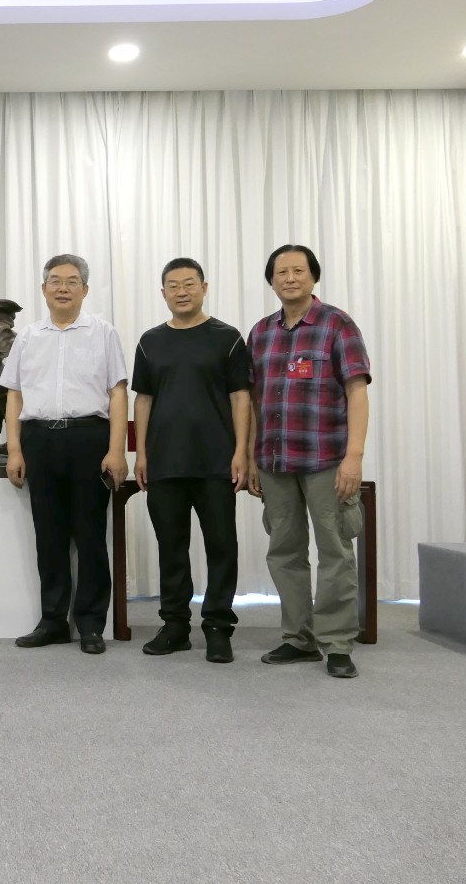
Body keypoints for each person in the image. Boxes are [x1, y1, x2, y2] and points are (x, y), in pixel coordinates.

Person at [247, 244, 371, 679]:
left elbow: (357, 391)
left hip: (326, 459)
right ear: (271, 281)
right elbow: (253, 400)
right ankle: (298, 639)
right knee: (284, 551)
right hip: (275, 461)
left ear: (313, 277)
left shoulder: (337, 324)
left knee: (335, 550)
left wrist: (354, 457)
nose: (290, 278)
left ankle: (337, 643)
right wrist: (252, 457)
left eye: (298, 270)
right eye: (281, 272)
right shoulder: (261, 332)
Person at [1, 254, 129, 655]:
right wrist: (15, 448)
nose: (63, 288)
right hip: (40, 440)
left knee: (90, 535)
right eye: (55, 281)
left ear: (85, 290)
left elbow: (117, 392)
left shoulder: (103, 333)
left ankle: (90, 624)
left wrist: (117, 450)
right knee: (49, 535)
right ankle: (53, 621)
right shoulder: (27, 336)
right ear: (43, 289)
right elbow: (14, 394)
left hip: (89, 438)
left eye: (72, 281)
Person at [132, 258, 251, 664]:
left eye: (188, 283)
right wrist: (141, 454)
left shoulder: (228, 338)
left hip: (216, 461)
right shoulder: (150, 341)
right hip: (164, 461)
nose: (181, 291)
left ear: (204, 287)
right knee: (171, 548)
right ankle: (175, 626)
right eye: (173, 285)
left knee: (222, 546)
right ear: (162, 292)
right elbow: (143, 399)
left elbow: (240, 397)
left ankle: (218, 627)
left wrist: (241, 451)